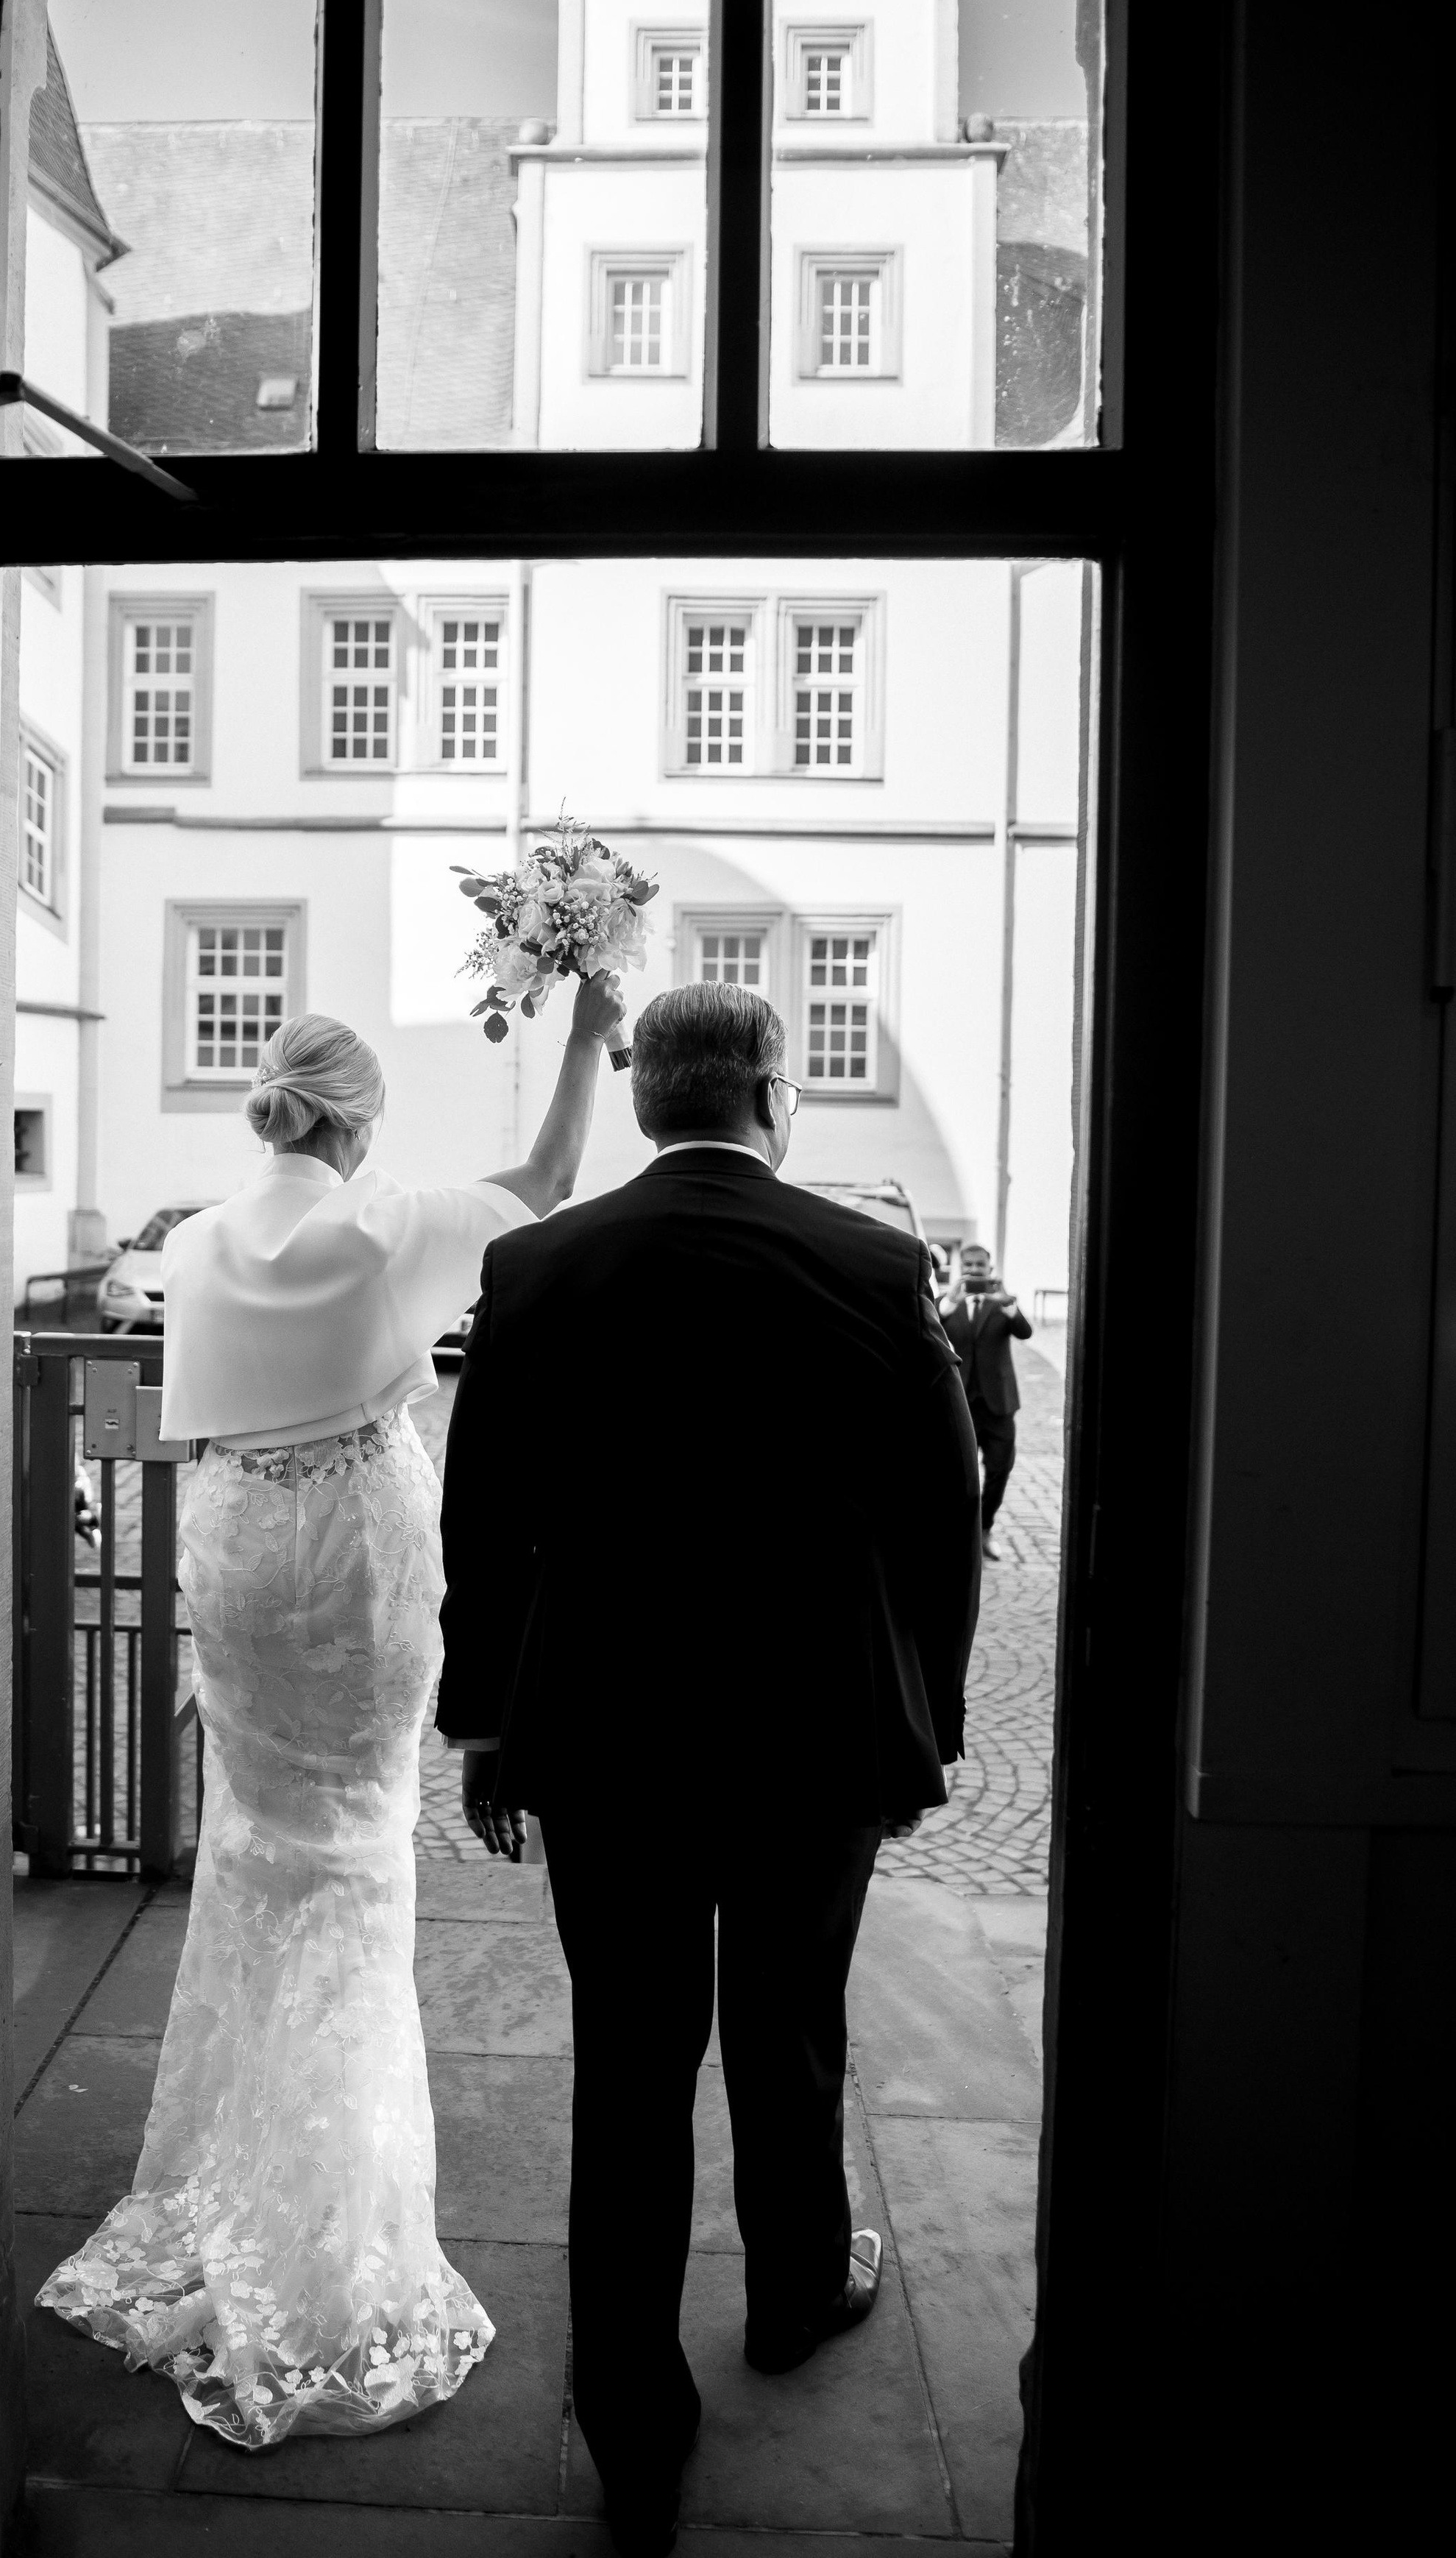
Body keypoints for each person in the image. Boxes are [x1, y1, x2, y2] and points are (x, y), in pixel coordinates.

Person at [36, 976, 628, 2447]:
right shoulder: (382, 1230)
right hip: (358, 1552)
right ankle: (331, 2242)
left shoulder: (193, 1245)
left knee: (255, 1843)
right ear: (356, 1126)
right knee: (357, 1858)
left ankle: (231, 2177)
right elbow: (548, 1183)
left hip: (235, 1542)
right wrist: (582, 1024)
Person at [436, 983, 980, 2558]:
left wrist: (486, 1723)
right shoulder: (874, 1266)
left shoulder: (539, 1265)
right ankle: (797, 2289)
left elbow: (487, 1517)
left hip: (606, 1734)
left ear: (639, 1095)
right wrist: (921, 1724)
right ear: (769, 1091)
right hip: (812, 1733)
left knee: (628, 2063)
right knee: (786, 2024)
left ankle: (630, 2421)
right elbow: (940, 1513)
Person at [939, 1241, 1031, 1560]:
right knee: (958, 1472)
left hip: (999, 1404)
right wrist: (949, 1302)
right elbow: (928, 1327)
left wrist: (1008, 1303)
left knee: (1000, 1470)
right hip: (960, 1404)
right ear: (960, 1269)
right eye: (969, 1265)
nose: (974, 1271)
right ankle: (962, 1532)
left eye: (980, 1266)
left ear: (990, 1270)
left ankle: (985, 1529)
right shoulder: (946, 1305)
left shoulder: (1002, 1304)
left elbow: (1025, 1332)